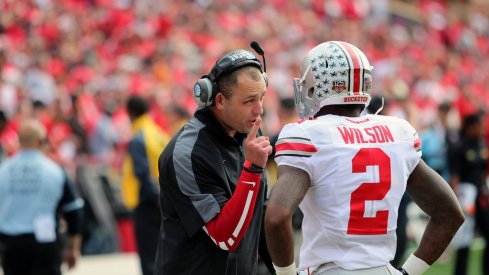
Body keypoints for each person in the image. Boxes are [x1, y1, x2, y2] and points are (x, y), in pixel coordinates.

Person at [265, 41, 464, 275]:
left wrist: (286, 274)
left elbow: (277, 218)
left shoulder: (307, 135)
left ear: (317, 86)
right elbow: (450, 213)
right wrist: (408, 272)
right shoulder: (398, 132)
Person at [155, 47, 273, 274]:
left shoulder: (249, 132)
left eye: (262, 97)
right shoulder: (186, 153)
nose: (259, 110)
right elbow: (225, 237)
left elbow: (261, 217)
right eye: (249, 101)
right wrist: (253, 169)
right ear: (219, 100)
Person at [0, 119, 84, 275]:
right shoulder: (54, 170)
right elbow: (73, 210)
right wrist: (74, 248)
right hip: (45, 241)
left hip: (11, 244)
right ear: (41, 141)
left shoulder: (3, 170)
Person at [121, 95, 170, 275]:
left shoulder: (137, 138)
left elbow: (141, 172)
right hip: (163, 200)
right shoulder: (159, 133)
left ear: (131, 113)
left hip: (146, 203)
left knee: (148, 257)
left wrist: (155, 197)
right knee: (161, 253)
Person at [449, 113, 489, 275]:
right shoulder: (459, 146)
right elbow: (455, 176)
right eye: (479, 126)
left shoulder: (481, 145)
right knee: (464, 240)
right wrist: (457, 199)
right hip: (466, 196)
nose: (481, 129)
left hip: (481, 195)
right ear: (470, 127)